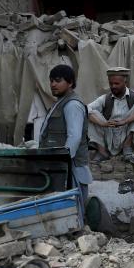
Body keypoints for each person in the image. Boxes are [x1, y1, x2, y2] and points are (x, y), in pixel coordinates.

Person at [39, 65, 92, 202]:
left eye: (58, 80)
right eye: (51, 81)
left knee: (72, 210)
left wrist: (62, 165)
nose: (53, 84)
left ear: (70, 83)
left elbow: (74, 138)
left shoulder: (72, 104)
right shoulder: (60, 103)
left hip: (70, 169)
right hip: (61, 168)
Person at [88, 67, 134, 161]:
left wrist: (124, 121)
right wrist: (103, 123)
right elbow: (85, 109)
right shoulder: (105, 98)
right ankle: (102, 151)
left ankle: (127, 146)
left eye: (116, 83)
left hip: (128, 134)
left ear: (125, 83)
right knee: (90, 112)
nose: (113, 86)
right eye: (111, 83)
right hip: (110, 135)